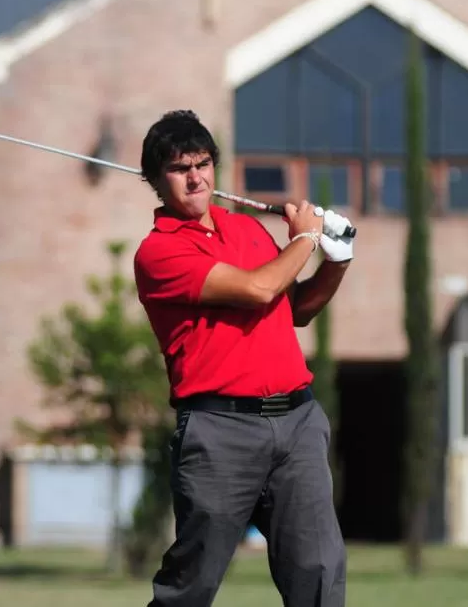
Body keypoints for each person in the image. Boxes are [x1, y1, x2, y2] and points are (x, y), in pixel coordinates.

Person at [133, 109, 354, 607]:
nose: (195, 177)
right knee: (193, 583)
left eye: (203, 163)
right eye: (178, 168)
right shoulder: (159, 253)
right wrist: (306, 237)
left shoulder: (249, 231)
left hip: (297, 421)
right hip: (219, 432)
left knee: (319, 571)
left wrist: (336, 261)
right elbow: (258, 288)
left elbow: (295, 309)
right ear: (155, 179)